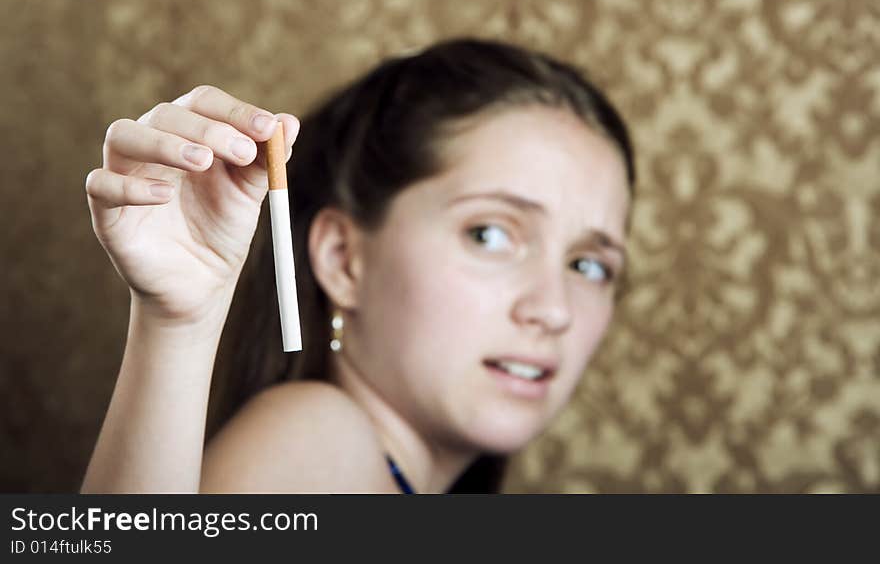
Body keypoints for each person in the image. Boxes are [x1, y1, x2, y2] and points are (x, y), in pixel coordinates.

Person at [80, 38, 635, 494]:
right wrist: (178, 325)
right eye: (489, 234)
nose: (553, 309)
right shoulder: (317, 438)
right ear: (343, 260)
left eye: (588, 265)